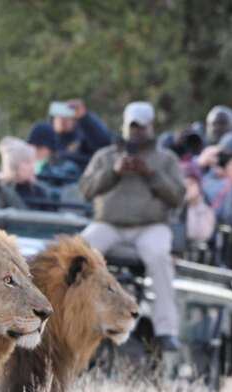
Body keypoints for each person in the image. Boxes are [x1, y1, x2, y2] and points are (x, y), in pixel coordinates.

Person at [79, 101, 185, 351]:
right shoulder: (105, 156)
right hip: (108, 224)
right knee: (78, 253)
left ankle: (165, 330)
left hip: (150, 226)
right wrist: (114, 172)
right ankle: (73, 318)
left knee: (159, 257)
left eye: (142, 126)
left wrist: (151, 175)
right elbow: (86, 190)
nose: (137, 131)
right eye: (133, 126)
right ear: (125, 126)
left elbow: (177, 198)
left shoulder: (166, 159)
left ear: (151, 127)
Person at [46, 99, 113, 172]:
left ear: (74, 119)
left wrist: (84, 117)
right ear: (53, 120)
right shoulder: (47, 138)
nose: (62, 120)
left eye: (66, 116)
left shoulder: (82, 136)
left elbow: (103, 145)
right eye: (58, 116)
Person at [0, 136, 52, 210]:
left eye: (33, 162)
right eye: (27, 162)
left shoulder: (39, 192)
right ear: (14, 164)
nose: (32, 167)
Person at [181, 162, 215, 242]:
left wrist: (189, 205)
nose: (187, 188)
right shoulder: (173, 205)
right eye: (184, 185)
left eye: (191, 184)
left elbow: (200, 235)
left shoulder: (205, 207)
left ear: (199, 186)